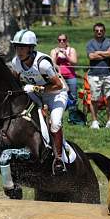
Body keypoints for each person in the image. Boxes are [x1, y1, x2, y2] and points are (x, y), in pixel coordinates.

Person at [10, 29, 68, 175]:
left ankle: (59, 159)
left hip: (56, 95)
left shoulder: (43, 63)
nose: (19, 51)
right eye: (17, 47)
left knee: (55, 123)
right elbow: (16, 82)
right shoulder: (16, 62)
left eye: (22, 47)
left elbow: (58, 85)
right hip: (36, 94)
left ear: (30, 48)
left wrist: (36, 87)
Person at [86, 22, 110, 129]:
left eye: (101, 30)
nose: (99, 32)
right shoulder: (90, 43)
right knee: (94, 99)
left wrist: (98, 53)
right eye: (97, 31)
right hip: (94, 74)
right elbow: (91, 56)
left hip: (108, 74)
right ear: (94, 32)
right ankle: (95, 122)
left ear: (104, 31)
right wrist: (105, 53)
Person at [50, 33, 78, 110]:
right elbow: (52, 64)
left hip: (71, 76)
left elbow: (74, 62)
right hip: (58, 77)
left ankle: (73, 117)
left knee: (73, 96)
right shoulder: (54, 51)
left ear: (66, 41)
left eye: (64, 40)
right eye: (60, 40)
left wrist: (66, 55)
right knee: (58, 96)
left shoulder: (71, 50)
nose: (62, 42)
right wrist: (56, 55)